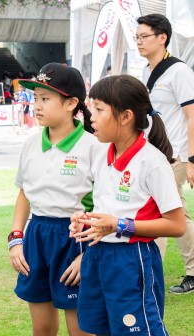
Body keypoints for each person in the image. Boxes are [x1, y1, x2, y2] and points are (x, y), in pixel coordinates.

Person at [70, 74, 186, 335]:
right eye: (92, 108)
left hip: (132, 261)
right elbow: (109, 208)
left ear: (126, 116)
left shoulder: (152, 162)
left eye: (99, 109)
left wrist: (118, 225)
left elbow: (176, 225)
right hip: (97, 255)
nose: (92, 117)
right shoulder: (102, 154)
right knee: (94, 328)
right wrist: (88, 219)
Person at [9, 63, 98, 336]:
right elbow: (24, 192)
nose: (36, 105)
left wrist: (88, 257)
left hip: (77, 238)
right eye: (35, 98)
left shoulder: (93, 147)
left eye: (45, 99)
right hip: (37, 235)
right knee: (42, 328)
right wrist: (16, 238)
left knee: (80, 329)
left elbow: (105, 206)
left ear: (71, 103)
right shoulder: (31, 144)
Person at [136, 13, 194, 295]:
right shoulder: (146, 71)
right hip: (156, 154)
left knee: (165, 210)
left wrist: (192, 160)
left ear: (163, 37)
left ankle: (156, 271)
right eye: (137, 37)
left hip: (178, 155)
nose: (138, 42)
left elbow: (192, 116)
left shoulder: (179, 71)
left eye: (144, 36)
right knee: (173, 211)